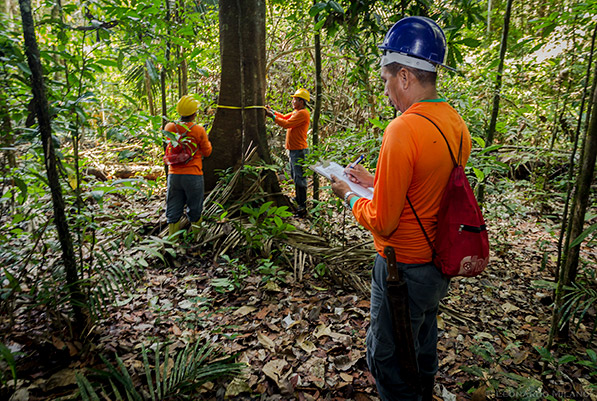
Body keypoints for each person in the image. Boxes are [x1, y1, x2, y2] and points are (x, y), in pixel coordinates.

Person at [330, 16, 472, 400]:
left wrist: (349, 194)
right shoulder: (455, 124)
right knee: (422, 343)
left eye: (388, 80)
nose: (388, 90)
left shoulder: (403, 128)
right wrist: (375, 182)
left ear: (405, 76)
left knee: (388, 358)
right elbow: (429, 186)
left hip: (401, 268)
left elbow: (384, 221)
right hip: (436, 266)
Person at [165, 95, 212, 237]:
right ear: (194, 113)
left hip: (174, 175)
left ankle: (172, 240)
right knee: (195, 207)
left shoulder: (169, 126)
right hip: (193, 175)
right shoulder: (198, 130)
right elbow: (207, 152)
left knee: (173, 206)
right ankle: (196, 238)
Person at [265, 88, 311, 216]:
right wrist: (272, 111)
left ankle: (302, 207)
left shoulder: (303, 114)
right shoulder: (297, 111)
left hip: (299, 150)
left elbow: (286, 124)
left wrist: (271, 116)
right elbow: (285, 117)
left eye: (295, 99)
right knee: (295, 176)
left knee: (299, 178)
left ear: (301, 102)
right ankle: (298, 200)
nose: (293, 101)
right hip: (294, 150)